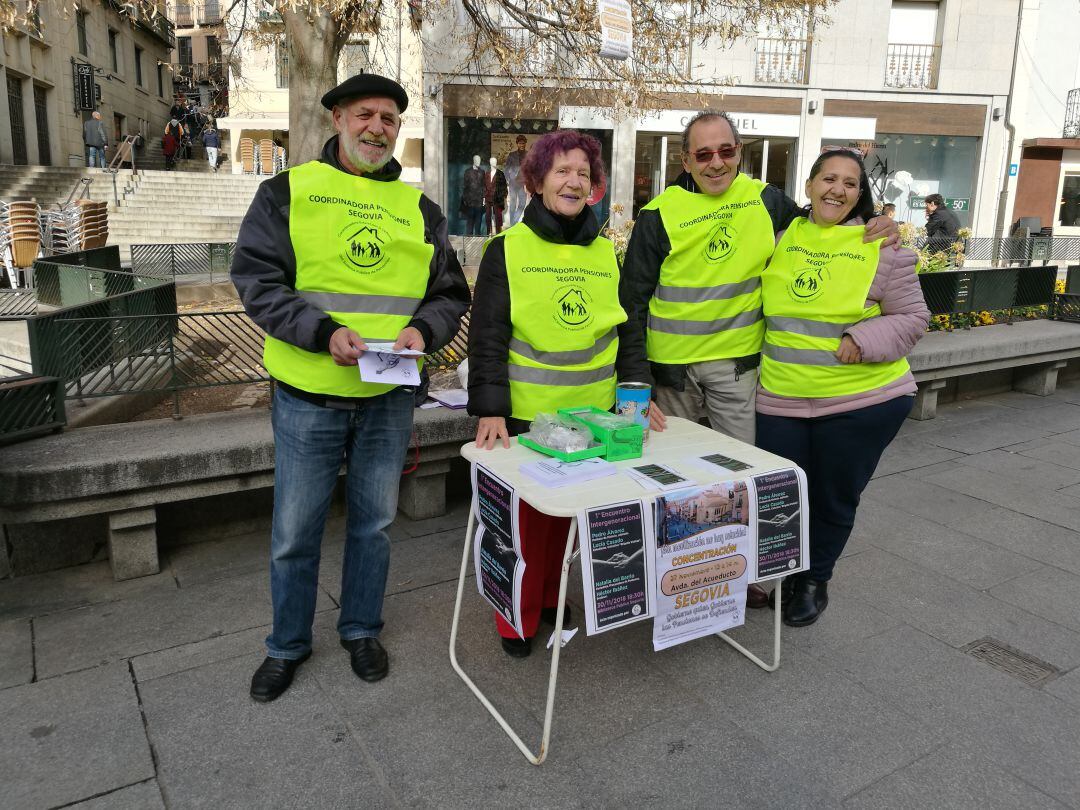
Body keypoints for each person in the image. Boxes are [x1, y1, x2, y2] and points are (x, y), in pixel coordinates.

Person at [232, 73, 470, 702]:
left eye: (390, 119)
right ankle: (286, 646)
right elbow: (257, 279)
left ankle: (361, 629)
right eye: (365, 114)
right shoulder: (287, 192)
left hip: (388, 398)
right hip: (309, 393)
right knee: (294, 532)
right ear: (337, 119)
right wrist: (320, 331)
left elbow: (449, 292)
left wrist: (425, 329)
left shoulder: (421, 210)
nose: (377, 128)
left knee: (374, 526)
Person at [618, 111, 898, 609]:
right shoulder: (659, 213)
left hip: (739, 371)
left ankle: (740, 577)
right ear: (686, 160)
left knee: (742, 483)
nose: (716, 162)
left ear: (739, 152)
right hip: (671, 378)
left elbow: (825, 223)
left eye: (725, 150)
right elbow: (632, 301)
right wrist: (636, 385)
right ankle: (678, 581)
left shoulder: (768, 201)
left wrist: (873, 222)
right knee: (676, 484)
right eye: (703, 154)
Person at [468, 129, 625, 658]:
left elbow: (623, 330)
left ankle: (554, 601)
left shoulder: (606, 253)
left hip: (593, 417)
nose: (574, 181)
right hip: (526, 421)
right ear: (536, 181)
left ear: (594, 185)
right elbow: (487, 334)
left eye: (583, 172)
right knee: (522, 530)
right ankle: (517, 617)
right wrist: (490, 406)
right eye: (562, 171)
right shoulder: (505, 249)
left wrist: (634, 398)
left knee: (570, 523)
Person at [755, 149, 929, 627]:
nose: (837, 189)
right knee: (783, 496)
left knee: (833, 496)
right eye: (828, 179)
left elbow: (914, 318)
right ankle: (790, 570)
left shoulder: (884, 249)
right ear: (808, 186)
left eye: (850, 183)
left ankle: (813, 580)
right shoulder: (778, 236)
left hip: (862, 401)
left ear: (860, 193)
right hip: (782, 397)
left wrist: (862, 337)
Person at [503, 134, 529, 225]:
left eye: (523, 143)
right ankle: (512, 224)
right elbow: (506, 168)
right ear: (517, 144)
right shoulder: (512, 155)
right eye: (520, 143)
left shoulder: (528, 155)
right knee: (513, 205)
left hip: (523, 184)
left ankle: (513, 222)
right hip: (513, 183)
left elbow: (530, 169)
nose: (522, 145)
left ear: (525, 143)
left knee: (522, 204)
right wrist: (507, 180)